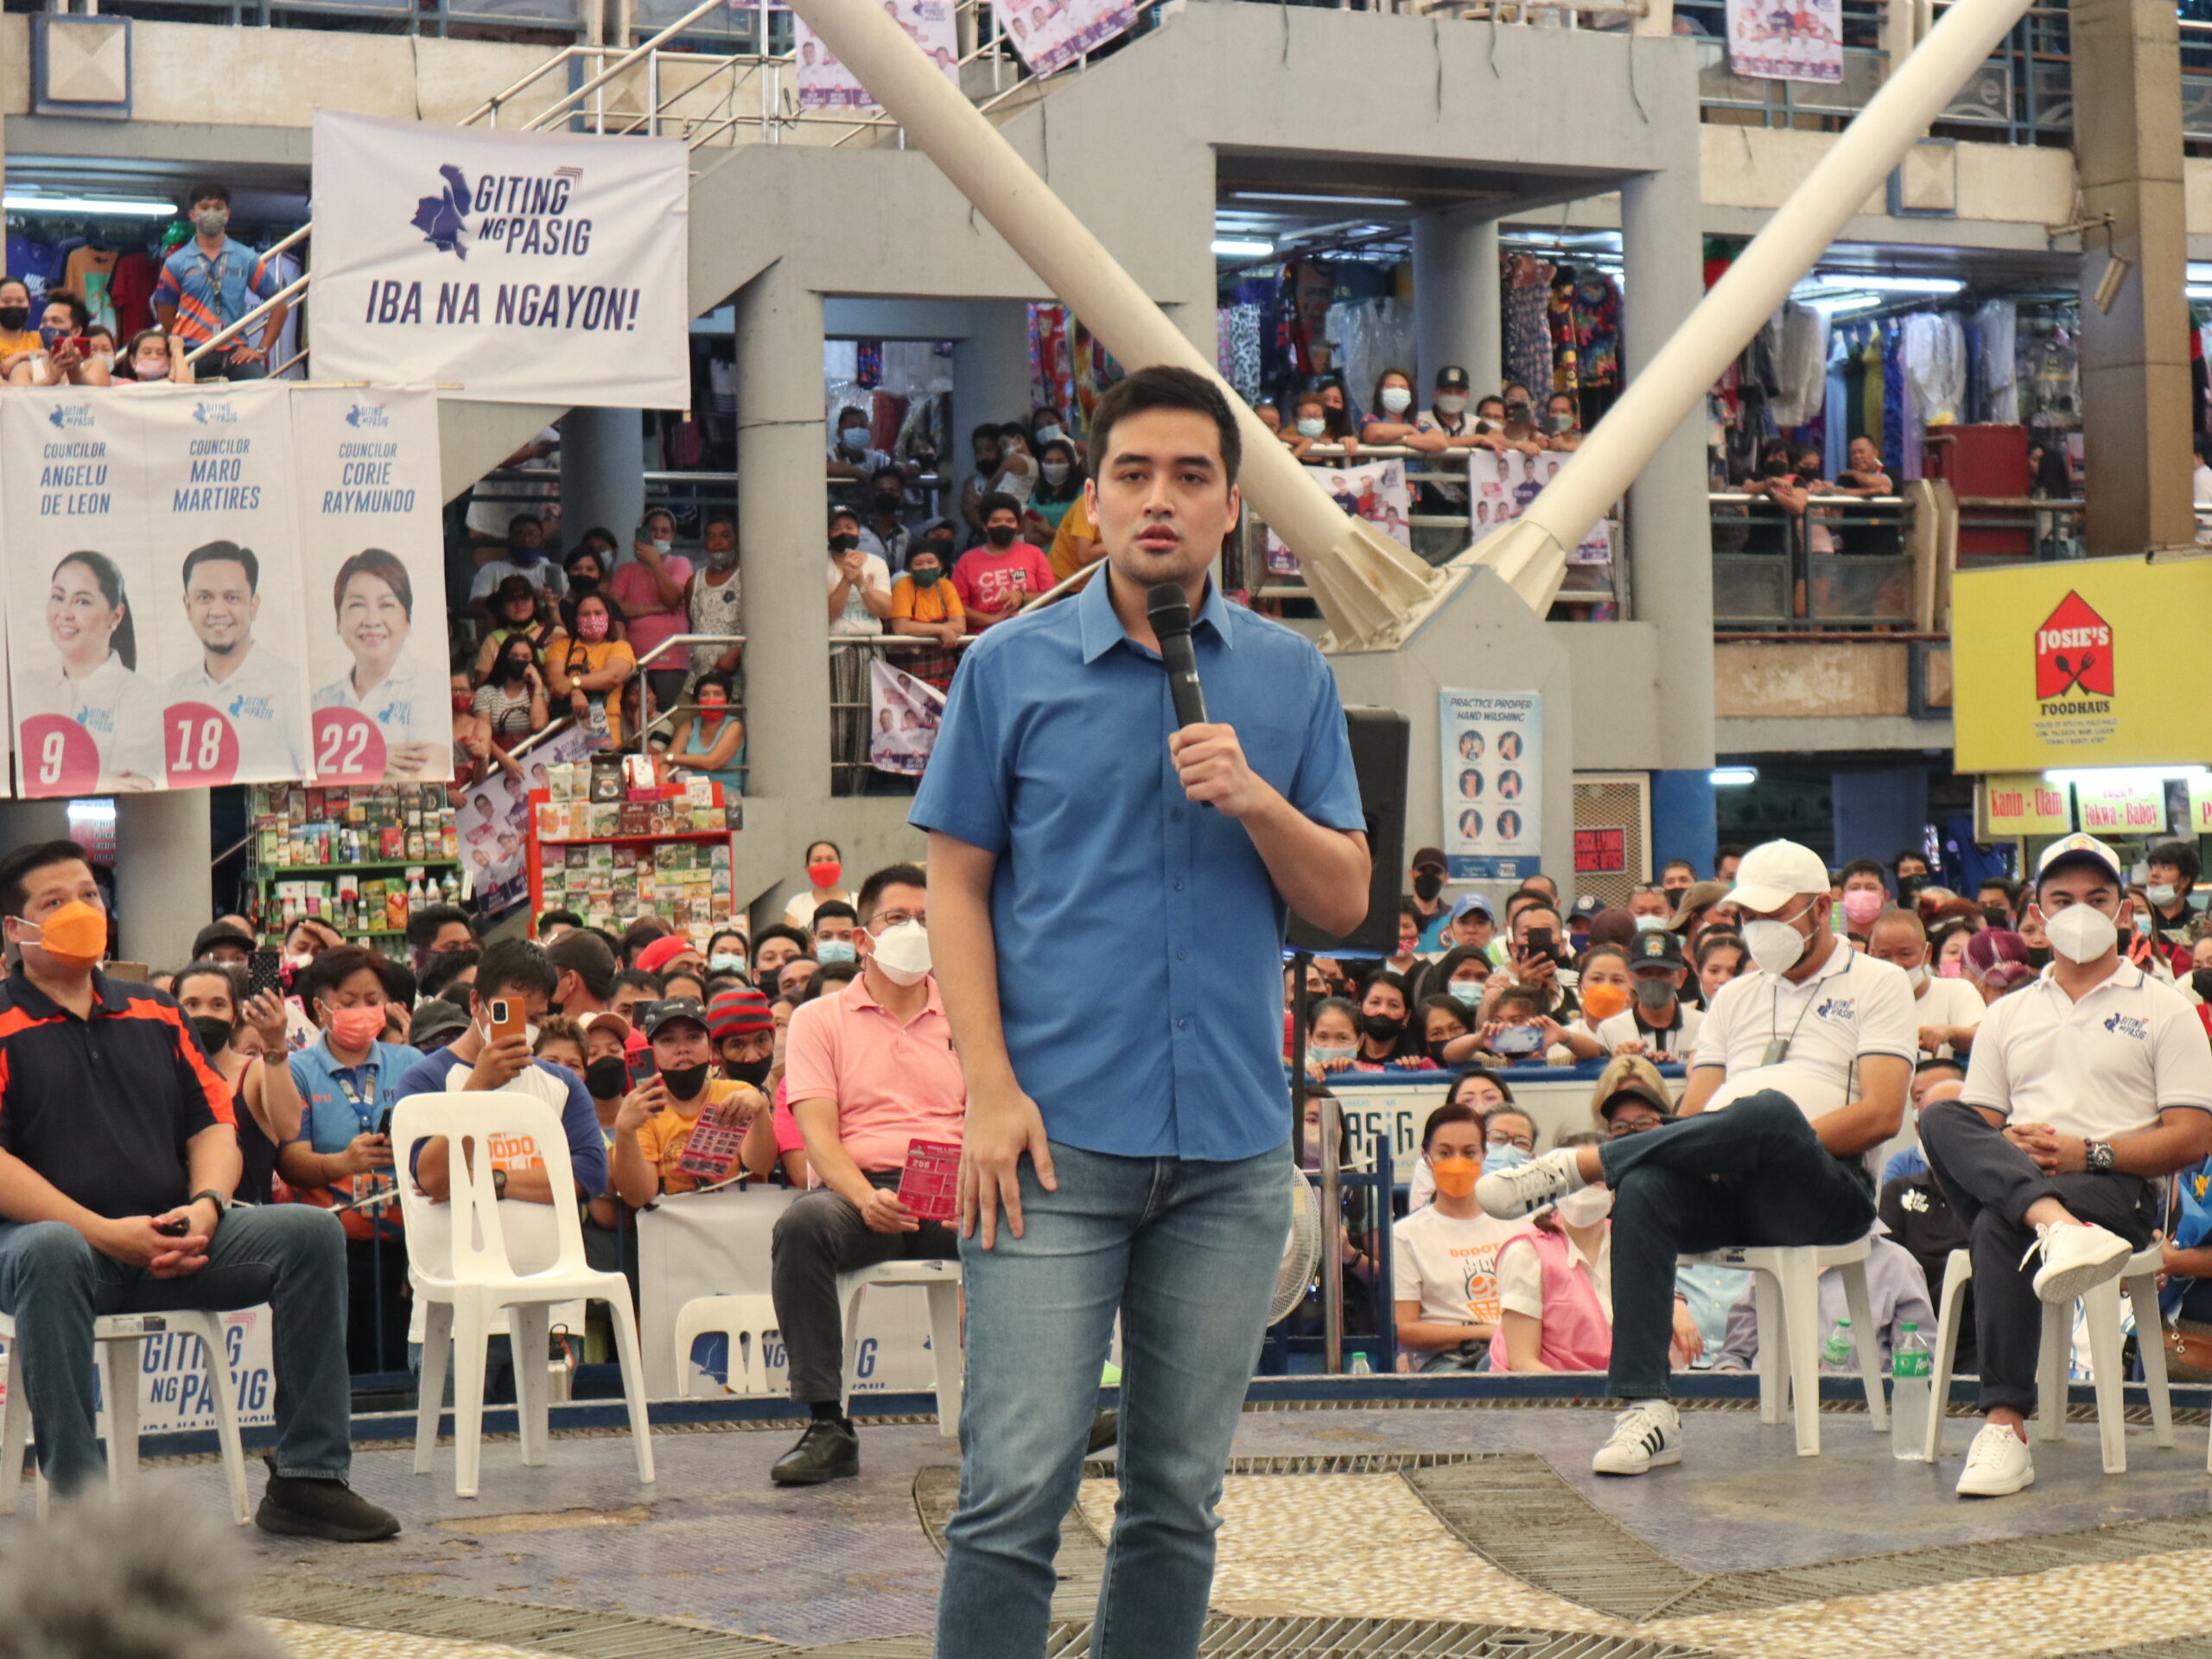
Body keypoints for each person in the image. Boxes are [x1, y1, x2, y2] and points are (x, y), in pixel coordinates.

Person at [915, 365, 1369, 1654]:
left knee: (1178, 1499)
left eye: (1188, 477)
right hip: (1052, 1148)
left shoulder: (1289, 681)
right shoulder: (1008, 670)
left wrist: (1259, 801)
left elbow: (1342, 896)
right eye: (1132, 475)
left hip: (1229, 1151)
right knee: (1013, 1494)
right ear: (1094, 501)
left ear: (1233, 507)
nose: (1158, 500)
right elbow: (953, 892)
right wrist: (988, 1090)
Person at [1478, 837, 1915, 1476]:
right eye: (1749, 917)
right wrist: (1731, 1148)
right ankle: (1646, 1407)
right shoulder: (1735, 996)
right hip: (1730, 1180)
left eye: (1775, 914)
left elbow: (1882, 1114)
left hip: (1825, 1193)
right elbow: (1693, 1115)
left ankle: (1586, 1165)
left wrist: (1772, 1140)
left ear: (1822, 909)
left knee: (1770, 1113)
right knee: (1651, 1184)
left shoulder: (1879, 984)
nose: (1759, 929)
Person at [0, 842, 397, 1539]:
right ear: (15, 930)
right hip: (55, 1258)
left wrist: (209, 1206)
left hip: (175, 1239)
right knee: (52, 1250)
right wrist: (103, 1231)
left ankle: (309, 1477)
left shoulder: (155, 1011)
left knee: (309, 1234)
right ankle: (83, 1512)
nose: (80, 911)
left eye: (89, 895)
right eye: (53, 903)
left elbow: (213, 1123)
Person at [1917, 833, 2212, 1497]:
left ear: (2122, 911)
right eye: (2062, 898)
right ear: (2038, 915)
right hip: (2028, 1180)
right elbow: (1979, 1129)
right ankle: (2050, 1222)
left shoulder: (2164, 1008)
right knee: (1940, 1115)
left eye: (2096, 897)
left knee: (1999, 1224)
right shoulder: (2009, 1012)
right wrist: (2013, 1147)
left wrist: (2089, 1150)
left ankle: (2003, 1424)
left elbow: (2193, 1136)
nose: (2079, 909)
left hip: (2114, 1191)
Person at [768, 866, 964, 1484]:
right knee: (803, 1224)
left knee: (1041, 1223)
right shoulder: (818, 1020)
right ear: (861, 938)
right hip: (861, 1189)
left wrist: (972, 1188)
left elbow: (990, 1111)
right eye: (898, 919)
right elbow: (818, 1136)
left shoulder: (969, 1011)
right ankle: (829, 1425)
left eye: (928, 921)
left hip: (955, 1191)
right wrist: (864, 1196)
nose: (914, 932)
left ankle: (1038, 1410)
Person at [395, 939, 611, 1217]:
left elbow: (590, 1175)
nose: (522, 1028)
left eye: (534, 1018)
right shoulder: (424, 1079)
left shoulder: (564, 1083)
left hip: (549, 1259)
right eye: (506, 1014)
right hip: (452, 1258)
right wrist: (478, 1088)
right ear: (476, 1003)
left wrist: (488, 1181)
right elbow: (435, 1179)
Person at [1392, 1102, 1520, 1371]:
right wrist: (1483, 1333)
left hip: (1519, 1351)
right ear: (1427, 1157)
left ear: (1484, 1155)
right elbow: (1404, 1329)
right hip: (1450, 1362)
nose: (1458, 1162)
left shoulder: (1517, 1222)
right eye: (1445, 1153)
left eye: (1469, 1152)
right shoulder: (1406, 1235)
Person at [21, 550, 163, 790]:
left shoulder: (142, 696)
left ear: (116, 615)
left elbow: (132, 786)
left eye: (82, 602)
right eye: (58, 597)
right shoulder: (24, 687)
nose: (64, 614)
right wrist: (98, 782)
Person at [173, 961, 302, 1206]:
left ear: (234, 1017)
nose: (205, 1014)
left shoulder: (254, 1072)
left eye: (218, 1005)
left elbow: (289, 1128)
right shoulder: (159, 1072)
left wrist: (274, 1043)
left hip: (244, 1225)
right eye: (192, 1004)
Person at [1490, 1132, 1618, 1374]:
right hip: (1543, 1401)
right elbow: (1523, 1363)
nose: (1585, 1188)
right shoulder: (1526, 1253)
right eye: (1575, 1178)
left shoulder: (1632, 1243)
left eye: (1596, 1178)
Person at [626, 997, 777, 1198]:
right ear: (651, 1049)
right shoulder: (644, 1109)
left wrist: (760, 1109)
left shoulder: (739, 1093)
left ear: (710, 1047)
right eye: (668, 1040)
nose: (683, 1049)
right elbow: (638, 1196)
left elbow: (762, 1165)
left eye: (694, 1037)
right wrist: (624, 1131)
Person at [312, 549, 441, 779]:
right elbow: (303, 770)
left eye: (386, 605)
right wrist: (374, 757)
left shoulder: (429, 686)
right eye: (357, 605)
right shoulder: (323, 700)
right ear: (338, 621)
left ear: (408, 620)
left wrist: (343, 761)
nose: (371, 621)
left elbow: (430, 770)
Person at [152, 181, 288, 380]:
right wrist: (182, 343)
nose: (212, 213)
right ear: (192, 215)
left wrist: (261, 349)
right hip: (191, 351)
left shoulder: (246, 257)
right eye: (205, 208)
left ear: (227, 214)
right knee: (177, 401)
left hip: (235, 352)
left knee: (261, 388)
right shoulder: (176, 263)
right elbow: (165, 313)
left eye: (218, 208)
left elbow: (279, 305)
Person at [609, 507, 695, 720]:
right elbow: (615, 608)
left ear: (673, 536)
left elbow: (672, 599)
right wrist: (655, 609)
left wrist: (655, 562)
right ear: (643, 533)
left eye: (665, 531)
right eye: (653, 530)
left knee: (665, 720)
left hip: (671, 660)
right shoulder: (626, 570)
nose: (658, 535)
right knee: (635, 719)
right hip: (634, 662)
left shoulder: (679, 563)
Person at [1864, 906, 1983, 1058]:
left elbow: (1983, 1036)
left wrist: (1950, 1032)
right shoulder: (1861, 1000)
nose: (1896, 964)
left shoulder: (1956, 991)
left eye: (1905, 954)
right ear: (1871, 955)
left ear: (1927, 953)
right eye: (1885, 956)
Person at [546, 591, 637, 752]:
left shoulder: (620, 647)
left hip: (605, 737)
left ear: (608, 616)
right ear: (575, 619)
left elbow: (613, 677)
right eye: (585, 614)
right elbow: (556, 682)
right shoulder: (561, 646)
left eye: (598, 613)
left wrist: (573, 682)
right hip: (565, 742)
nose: (592, 618)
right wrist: (576, 693)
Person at [1595, 930, 1705, 1059]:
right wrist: (1618, 1062)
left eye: (1663, 972)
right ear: (1631, 978)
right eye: (1645, 972)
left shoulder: (1704, 1026)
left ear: (1681, 977)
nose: (1654, 979)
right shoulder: (1609, 1031)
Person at [952, 493, 1055, 629]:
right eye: (996, 521)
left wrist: (1023, 596)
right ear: (984, 525)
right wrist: (994, 620)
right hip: (984, 638)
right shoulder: (967, 561)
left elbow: (1052, 597)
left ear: (1018, 525)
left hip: (1029, 633)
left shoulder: (1034, 554)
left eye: (1010, 521)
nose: (1003, 525)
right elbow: (957, 607)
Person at [887, 537, 967, 690]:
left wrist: (919, 629)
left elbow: (960, 625)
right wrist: (942, 630)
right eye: (919, 564)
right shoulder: (903, 586)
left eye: (931, 562)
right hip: (909, 668)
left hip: (943, 668)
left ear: (940, 566)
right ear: (910, 569)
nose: (925, 567)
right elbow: (901, 627)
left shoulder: (946, 586)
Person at [682, 517, 745, 699]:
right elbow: (693, 623)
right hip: (696, 682)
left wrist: (736, 654)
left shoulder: (747, 578)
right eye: (711, 537)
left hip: (734, 686)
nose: (717, 543)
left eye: (725, 536)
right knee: (672, 725)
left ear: (737, 540)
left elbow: (762, 625)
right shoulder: (694, 581)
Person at [467, 515, 564, 632]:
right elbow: (475, 605)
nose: (526, 540)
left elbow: (566, 606)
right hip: (502, 635)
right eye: (519, 534)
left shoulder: (554, 570)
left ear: (542, 541)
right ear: (509, 540)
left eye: (532, 534)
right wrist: (526, 595)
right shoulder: (491, 569)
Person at [666, 671, 746, 795]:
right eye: (704, 695)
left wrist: (669, 757)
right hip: (692, 793)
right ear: (697, 701)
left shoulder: (735, 726)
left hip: (725, 795)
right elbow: (666, 762)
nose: (711, 700)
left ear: (728, 701)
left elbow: (712, 762)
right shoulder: (689, 726)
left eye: (717, 694)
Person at [471, 631, 551, 750]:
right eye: (514, 656)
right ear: (505, 658)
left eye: (525, 657)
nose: (519, 660)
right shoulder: (485, 693)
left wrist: (538, 685)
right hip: (499, 759)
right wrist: (506, 760)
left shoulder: (539, 692)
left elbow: (538, 725)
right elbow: (483, 736)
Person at [17, 292, 110, 387]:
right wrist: (49, 380)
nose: (47, 326)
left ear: (76, 331)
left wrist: (74, 370)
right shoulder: (25, 369)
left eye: (56, 321)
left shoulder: (95, 364)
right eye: (44, 321)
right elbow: (18, 398)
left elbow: (95, 396)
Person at [2145, 840, 2202, 964]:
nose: (2154, 873)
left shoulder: (2200, 922)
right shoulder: (2141, 919)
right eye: (2153, 867)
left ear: (2184, 881)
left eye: (2166, 868)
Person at [785, 842, 854, 931]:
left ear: (840, 866)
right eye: (818, 860)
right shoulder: (797, 904)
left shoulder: (858, 901)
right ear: (807, 868)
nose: (824, 865)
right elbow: (789, 941)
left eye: (830, 859)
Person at [115, 325, 194, 386]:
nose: (154, 357)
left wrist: (177, 350)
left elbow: (187, 389)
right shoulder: (123, 385)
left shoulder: (173, 384)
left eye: (161, 353)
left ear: (169, 360)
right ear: (133, 360)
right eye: (147, 352)